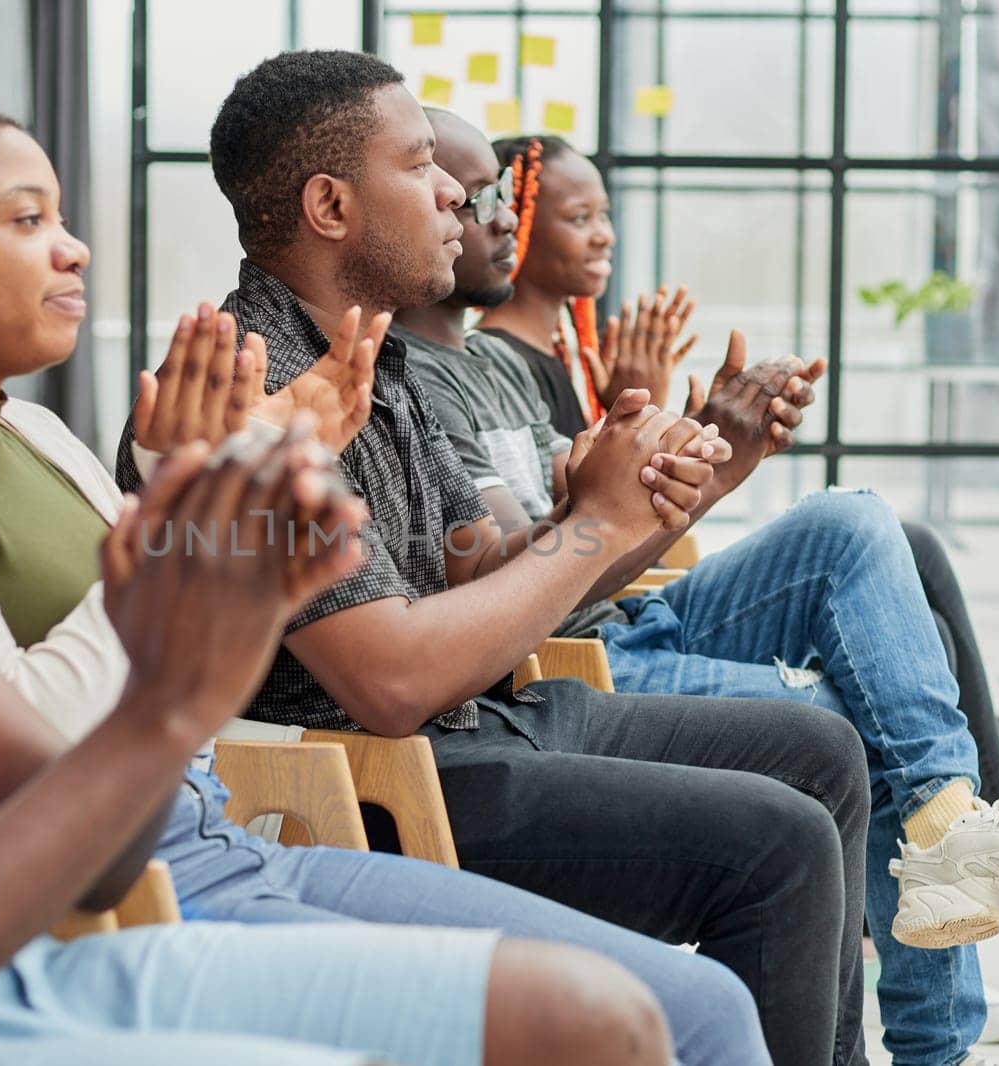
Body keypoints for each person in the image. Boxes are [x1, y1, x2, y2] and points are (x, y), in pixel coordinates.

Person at [0, 8, 676, 1065]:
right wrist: (171, 576)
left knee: (593, 1019)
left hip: (68, 916)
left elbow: (91, 842)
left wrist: (189, 634)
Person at [0, 89, 772, 1066]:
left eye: (60, 215)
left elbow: (198, 629)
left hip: (220, 835)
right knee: (632, 1008)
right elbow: (35, 739)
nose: (73, 247)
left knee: (700, 1004)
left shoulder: (34, 431)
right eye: (25, 219)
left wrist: (239, 494)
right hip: (114, 897)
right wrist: (195, 499)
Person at [113, 48, 880, 1066]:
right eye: (423, 165)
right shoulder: (252, 384)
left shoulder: (386, 356)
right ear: (331, 205)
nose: (456, 195)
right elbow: (387, 680)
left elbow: (490, 569)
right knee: (775, 846)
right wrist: (593, 526)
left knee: (819, 754)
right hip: (389, 765)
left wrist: (667, 484)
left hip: (486, 715)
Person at [398, 113, 999, 1066]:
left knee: (857, 521)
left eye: (502, 195)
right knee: (859, 718)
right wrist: (627, 487)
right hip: (570, 657)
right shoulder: (429, 380)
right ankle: (935, 1018)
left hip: (617, 611)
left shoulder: (468, 371)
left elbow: (592, 534)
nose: (496, 215)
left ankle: (958, 820)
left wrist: (723, 445)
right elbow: (532, 562)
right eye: (467, 194)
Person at [479, 134, 999, 803]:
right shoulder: (485, 365)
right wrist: (695, 445)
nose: (604, 236)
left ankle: (985, 810)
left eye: (605, 214)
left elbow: (596, 516)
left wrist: (697, 440)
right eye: (579, 218)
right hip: (589, 639)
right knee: (862, 581)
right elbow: (579, 531)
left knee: (907, 557)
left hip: (613, 608)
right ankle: (976, 815)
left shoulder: (533, 363)